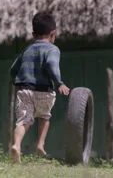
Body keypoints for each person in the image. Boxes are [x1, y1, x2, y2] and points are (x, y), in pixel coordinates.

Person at [9, 12, 71, 163]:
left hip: (24, 89)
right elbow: (51, 64)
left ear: (33, 34)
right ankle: (40, 144)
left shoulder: (27, 50)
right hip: (43, 91)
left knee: (23, 120)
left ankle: (17, 145)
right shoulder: (52, 49)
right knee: (44, 116)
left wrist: (17, 83)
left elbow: (12, 70)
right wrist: (59, 83)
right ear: (53, 33)